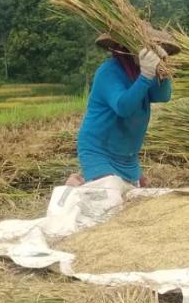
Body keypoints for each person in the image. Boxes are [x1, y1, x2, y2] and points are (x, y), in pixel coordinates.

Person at [68, 26, 178, 187]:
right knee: (109, 202)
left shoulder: (142, 71)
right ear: (124, 49)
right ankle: (76, 185)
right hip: (99, 151)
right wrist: (146, 76)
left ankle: (82, 182)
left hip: (127, 155)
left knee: (133, 199)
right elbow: (123, 107)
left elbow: (162, 96)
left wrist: (162, 71)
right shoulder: (108, 72)